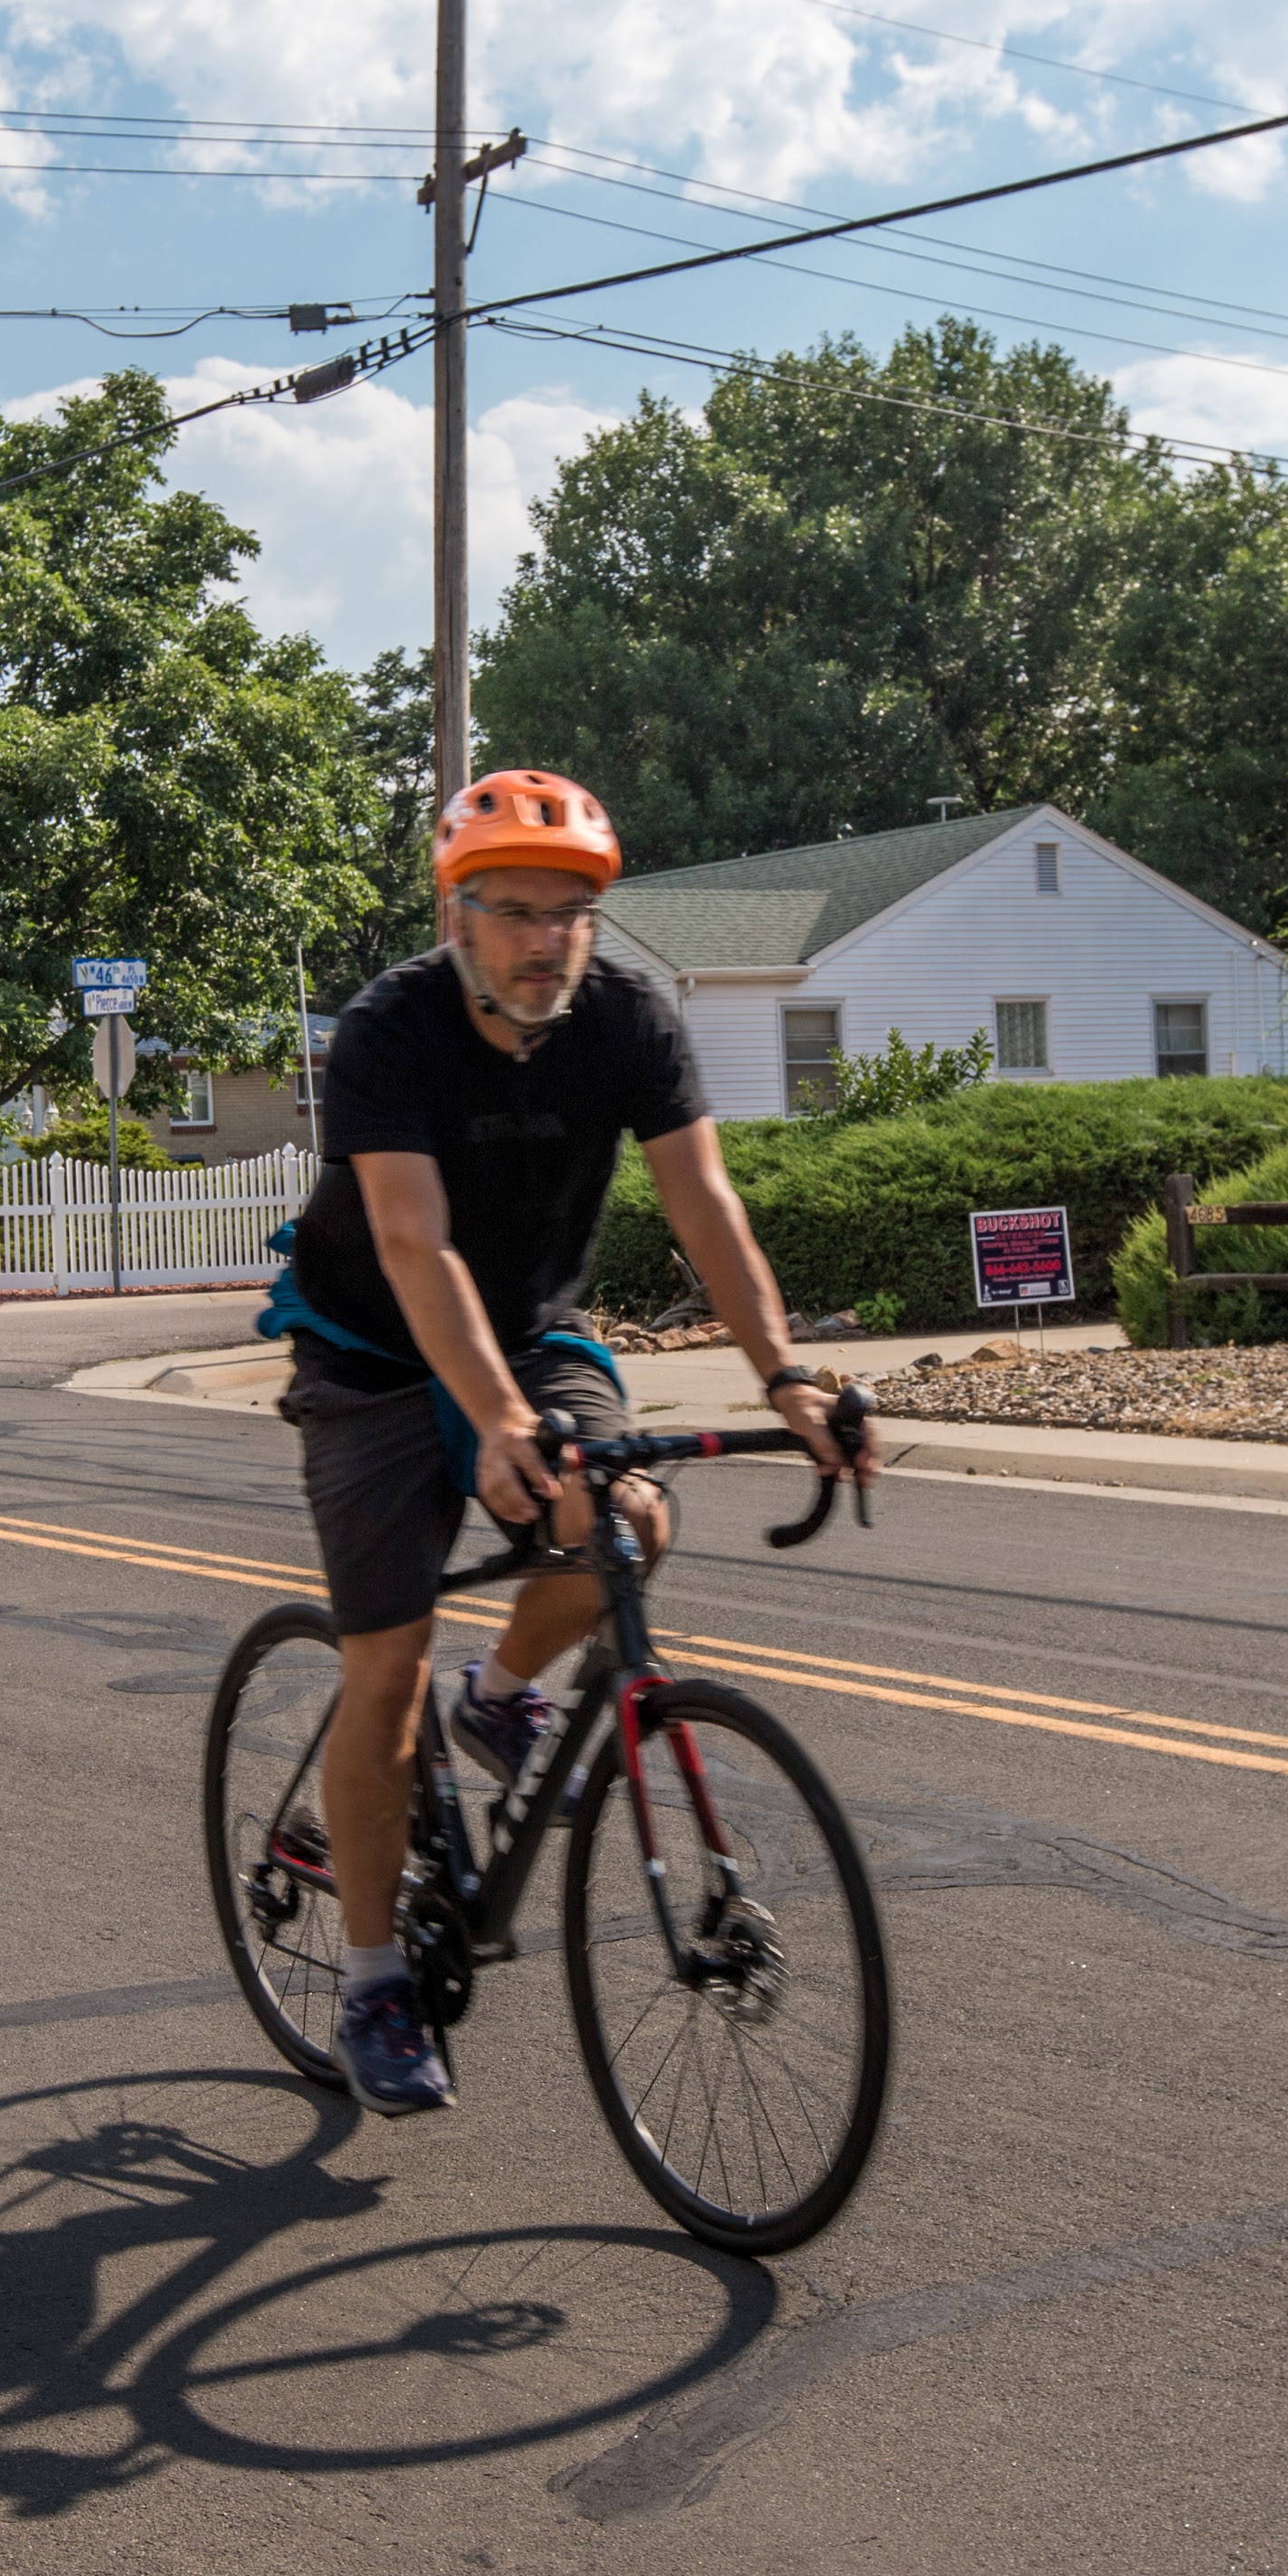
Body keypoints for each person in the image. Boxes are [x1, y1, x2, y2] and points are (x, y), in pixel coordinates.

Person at [264, 767, 867, 2116]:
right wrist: (491, 1424)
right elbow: (413, 1248)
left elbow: (706, 1207)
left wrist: (789, 1378)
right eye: (514, 912)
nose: (546, 940)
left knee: (630, 1521)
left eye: (571, 914)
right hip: (366, 1350)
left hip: (532, 1333)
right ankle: (371, 1979)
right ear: (457, 914)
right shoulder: (389, 1032)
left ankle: (503, 1696)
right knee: (383, 1670)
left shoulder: (628, 1025)